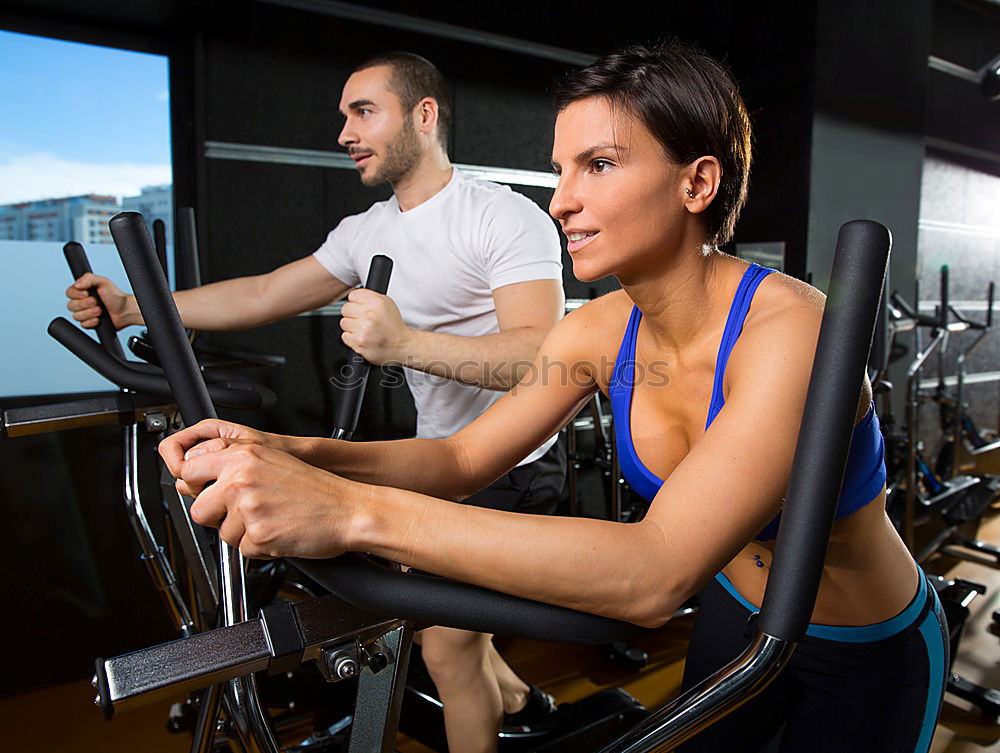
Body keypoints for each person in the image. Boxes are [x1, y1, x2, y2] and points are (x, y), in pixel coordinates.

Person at [158, 41, 949, 753]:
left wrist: (346, 509)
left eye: (598, 165)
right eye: (561, 168)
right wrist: (287, 451)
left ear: (697, 181)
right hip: (740, 618)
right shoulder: (600, 330)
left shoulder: (794, 331)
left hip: (866, 646)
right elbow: (463, 456)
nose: (560, 200)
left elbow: (657, 570)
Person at [67, 52, 565, 753]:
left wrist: (405, 344)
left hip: (515, 462)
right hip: (437, 461)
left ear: (425, 116)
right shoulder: (367, 230)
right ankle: (518, 695)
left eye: (363, 111)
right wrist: (133, 308)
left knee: (447, 647)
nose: (343, 133)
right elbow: (267, 292)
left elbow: (540, 358)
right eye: (343, 116)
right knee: (448, 627)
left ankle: (497, 691)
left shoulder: (503, 217)